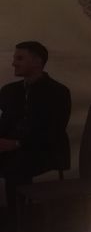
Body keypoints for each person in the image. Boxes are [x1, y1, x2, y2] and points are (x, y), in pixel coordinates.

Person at [0, 41, 72, 214]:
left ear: (37, 61)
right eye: (14, 58)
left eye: (20, 58)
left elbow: (54, 131)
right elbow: (4, 121)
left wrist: (17, 144)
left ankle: (18, 217)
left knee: (15, 165)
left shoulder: (58, 92)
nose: (14, 63)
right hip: (14, 148)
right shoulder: (10, 90)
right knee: (12, 160)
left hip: (46, 150)